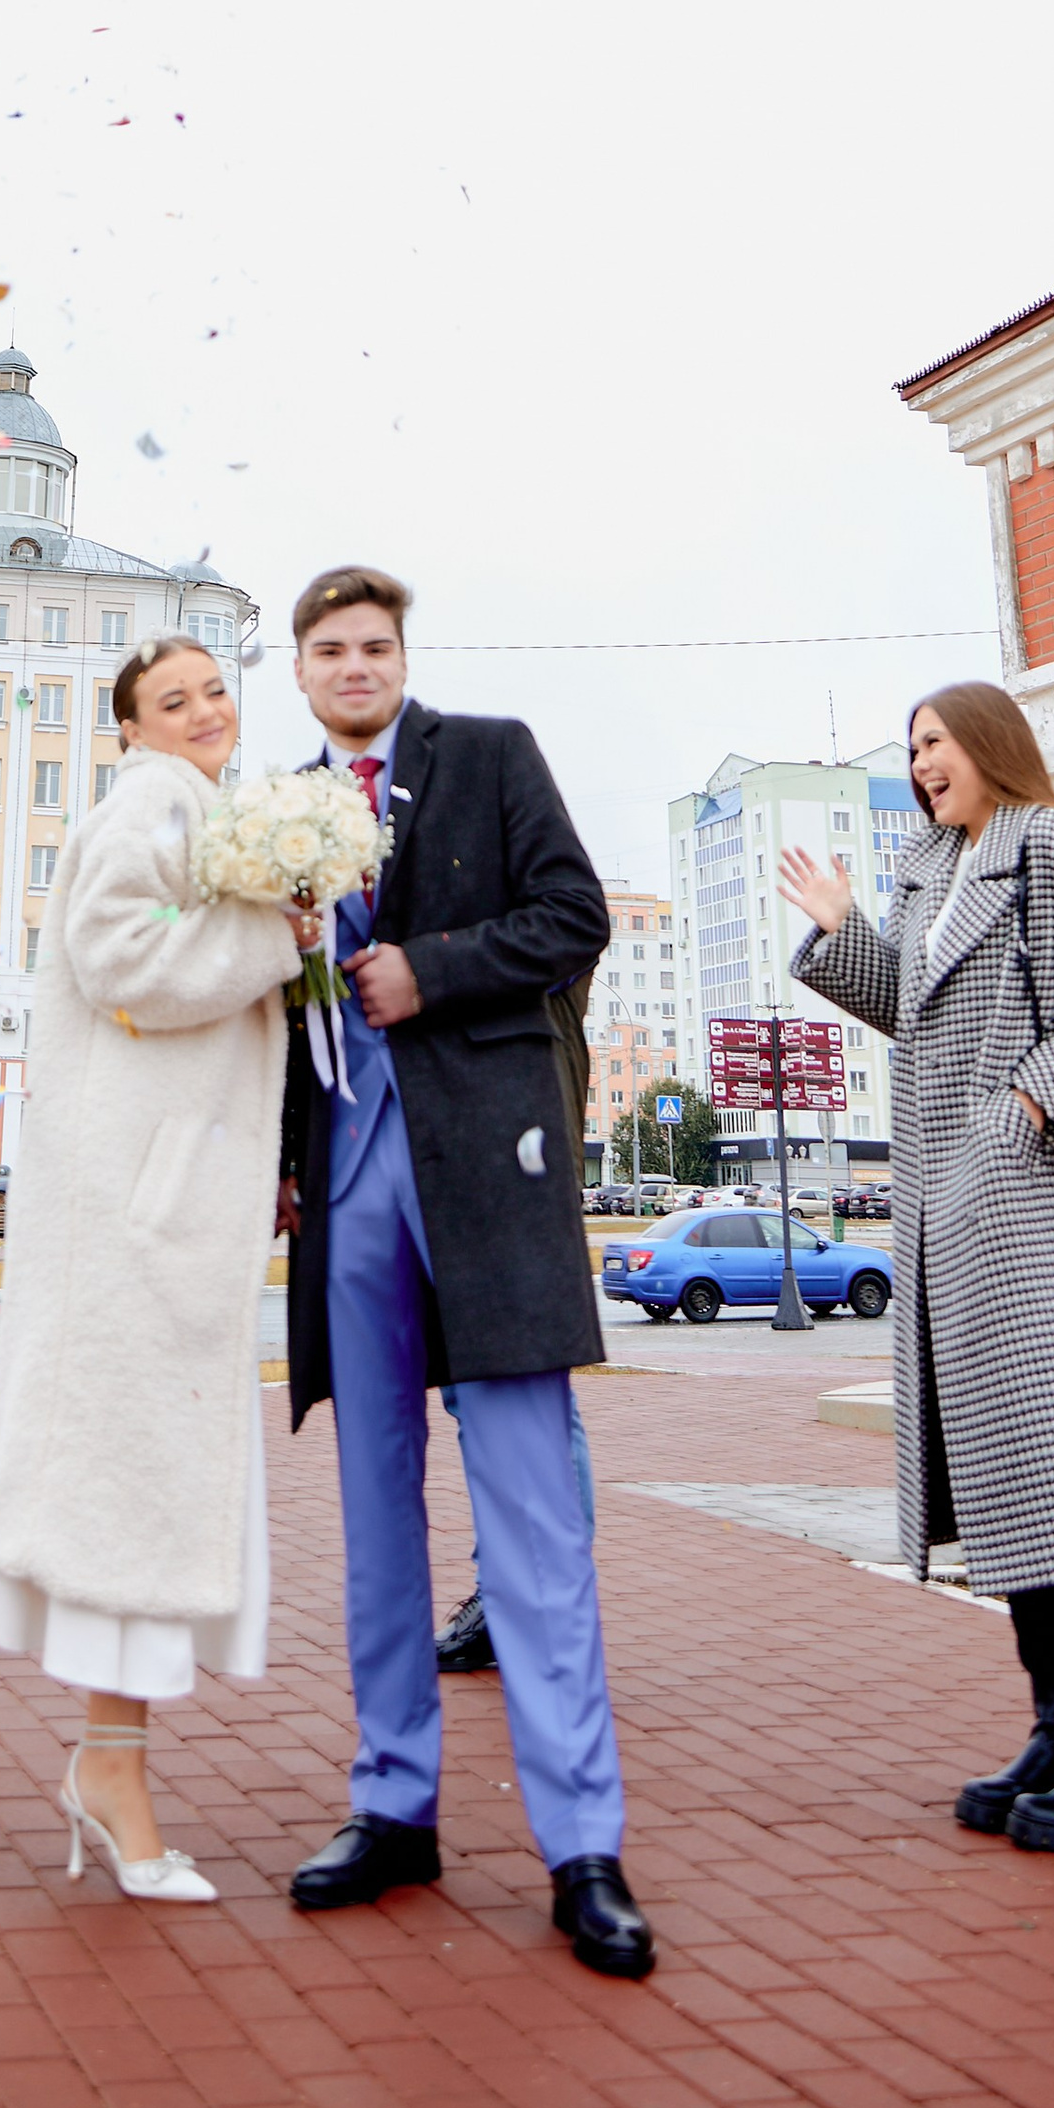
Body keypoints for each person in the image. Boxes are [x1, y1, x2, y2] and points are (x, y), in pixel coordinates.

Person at [0, 634, 311, 1902]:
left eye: (216, 691)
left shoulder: (201, 809)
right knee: (116, 1472)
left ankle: (51, 1702)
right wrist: (273, 935)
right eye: (174, 700)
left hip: (167, 1200)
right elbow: (120, 961)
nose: (204, 712)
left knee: (139, 1486)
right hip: (132, 1204)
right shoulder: (151, 800)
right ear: (130, 729)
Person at [282, 567, 651, 1979]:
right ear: (303, 671)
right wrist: (278, 1158)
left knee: (531, 1514)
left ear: (400, 659)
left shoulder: (486, 756)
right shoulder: (274, 806)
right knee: (375, 1505)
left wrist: (427, 971)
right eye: (332, 650)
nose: (357, 667)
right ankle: (393, 1804)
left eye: (376, 646)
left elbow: (573, 919)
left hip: (482, 1171)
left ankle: (583, 1847)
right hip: (346, 1184)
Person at [784, 680, 1054, 1858]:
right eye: (908, 748)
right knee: (1012, 1485)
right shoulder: (928, 870)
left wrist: (1031, 1108)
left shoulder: (1044, 847)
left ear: (988, 747)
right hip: (943, 1218)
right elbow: (915, 1015)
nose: (919, 764)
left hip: (1024, 1214)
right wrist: (844, 925)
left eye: (935, 742)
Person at [434, 958, 598, 1675]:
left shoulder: (537, 870)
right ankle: (515, 1593)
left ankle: (539, 1599)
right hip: (465, 1141)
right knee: (472, 1388)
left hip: (519, 1151)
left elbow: (565, 932)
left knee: (531, 1391)